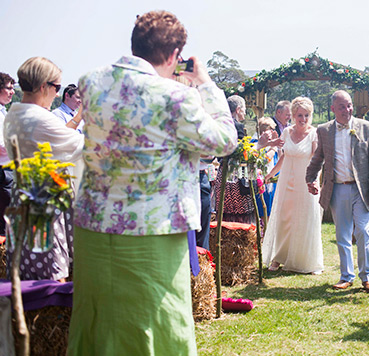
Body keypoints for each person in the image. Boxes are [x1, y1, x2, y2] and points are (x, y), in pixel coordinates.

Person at [67, 10, 237, 356]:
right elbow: (224, 140)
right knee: (156, 324)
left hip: (94, 230)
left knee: (97, 320)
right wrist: (205, 84)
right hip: (153, 233)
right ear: (175, 56)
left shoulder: (90, 82)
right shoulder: (175, 98)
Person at [4, 57, 84, 282]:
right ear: (43, 87)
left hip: (23, 196)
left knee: (26, 269)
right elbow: (78, 145)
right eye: (56, 87)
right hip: (46, 200)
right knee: (52, 272)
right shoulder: (39, 118)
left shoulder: (14, 113)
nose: (57, 94)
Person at [306, 90, 369, 293]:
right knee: (342, 234)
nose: (347, 110)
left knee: (364, 232)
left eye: (349, 105)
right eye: (342, 106)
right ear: (333, 109)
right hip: (337, 188)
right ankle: (346, 276)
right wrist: (310, 178)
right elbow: (318, 157)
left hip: (361, 189)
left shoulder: (367, 128)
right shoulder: (324, 130)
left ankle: (367, 277)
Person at [262, 97, 323, 274]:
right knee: (284, 219)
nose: (302, 119)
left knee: (305, 219)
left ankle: (308, 261)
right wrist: (271, 174)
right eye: (299, 115)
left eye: (306, 115)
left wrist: (313, 181)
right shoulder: (287, 132)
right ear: (293, 116)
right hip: (286, 182)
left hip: (306, 183)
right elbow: (283, 157)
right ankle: (279, 257)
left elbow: (317, 160)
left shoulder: (314, 134)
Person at [212, 95, 257, 224]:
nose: (244, 112)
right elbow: (243, 153)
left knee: (224, 211)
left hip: (222, 173)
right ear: (238, 109)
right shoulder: (237, 126)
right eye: (243, 109)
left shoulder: (220, 125)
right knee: (240, 211)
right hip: (236, 175)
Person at [0, 73, 15, 236]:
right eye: (8, 88)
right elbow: (2, 145)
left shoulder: (4, 111)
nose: (12, 92)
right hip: (4, 171)